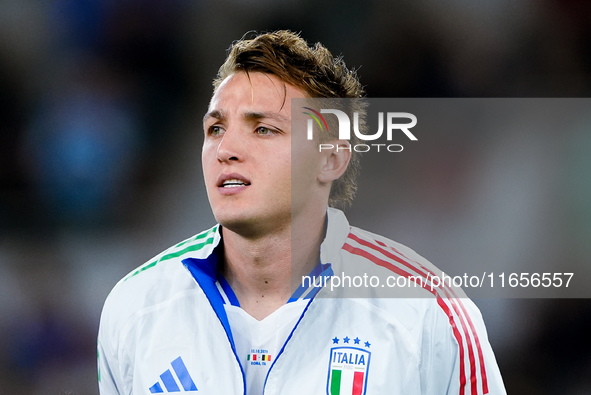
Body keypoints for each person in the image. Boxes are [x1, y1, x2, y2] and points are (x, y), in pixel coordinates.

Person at [97, 30, 506, 395]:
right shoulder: (134, 308)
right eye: (216, 129)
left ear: (331, 159)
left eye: (264, 129)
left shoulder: (430, 312)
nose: (226, 150)